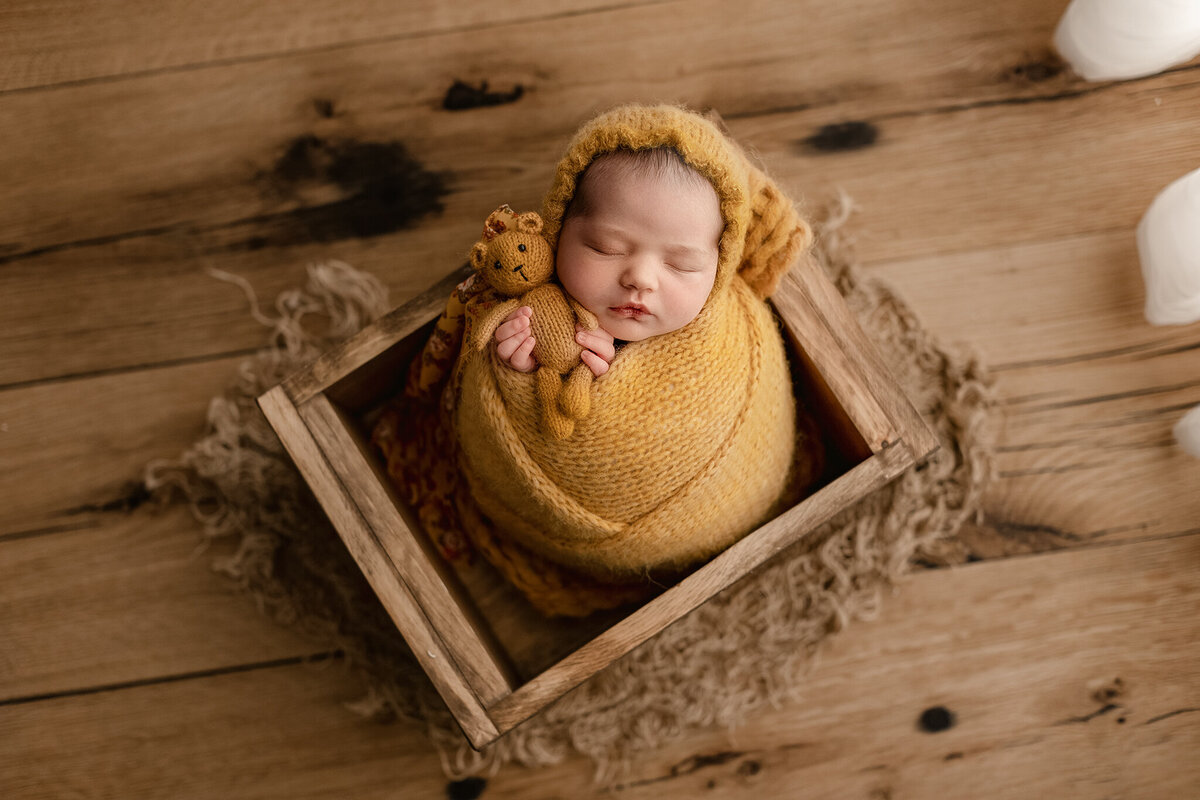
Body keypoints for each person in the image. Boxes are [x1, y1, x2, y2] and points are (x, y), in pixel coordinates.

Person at [490, 146, 724, 377]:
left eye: (681, 264)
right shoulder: (526, 307)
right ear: (558, 232)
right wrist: (526, 367)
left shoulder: (725, 348)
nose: (641, 279)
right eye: (607, 248)